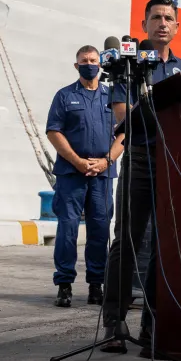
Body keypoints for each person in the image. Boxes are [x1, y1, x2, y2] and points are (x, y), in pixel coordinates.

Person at [101, 0, 181, 353]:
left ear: (176, 26)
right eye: (155, 17)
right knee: (127, 240)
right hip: (140, 160)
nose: (162, 23)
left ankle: (153, 327)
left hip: (173, 163)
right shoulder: (127, 68)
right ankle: (114, 322)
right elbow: (124, 118)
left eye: (168, 18)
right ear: (144, 26)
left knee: (163, 246)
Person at [45, 46, 115, 308]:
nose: (89, 64)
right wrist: (77, 161)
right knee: (68, 229)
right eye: (84, 61)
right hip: (70, 174)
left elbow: (124, 133)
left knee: (99, 229)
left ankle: (96, 284)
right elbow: (53, 131)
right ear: (76, 66)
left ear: (101, 64)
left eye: (93, 60)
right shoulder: (64, 96)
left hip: (102, 174)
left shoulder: (112, 96)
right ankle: (64, 285)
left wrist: (106, 161)